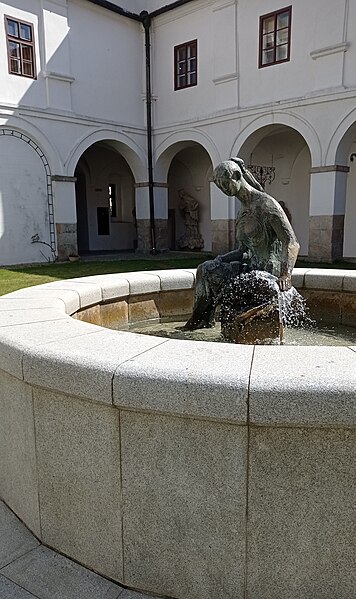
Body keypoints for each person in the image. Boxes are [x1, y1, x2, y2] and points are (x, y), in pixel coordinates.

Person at [184, 157, 300, 330]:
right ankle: (201, 321)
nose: (223, 189)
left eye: (225, 184)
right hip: (250, 267)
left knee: (210, 272)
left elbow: (291, 241)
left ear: (237, 176)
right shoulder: (243, 210)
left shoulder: (267, 204)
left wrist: (286, 275)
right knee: (205, 268)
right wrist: (221, 259)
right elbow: (242, 251)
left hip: (269, 270)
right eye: (219, 187)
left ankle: (198, 323)